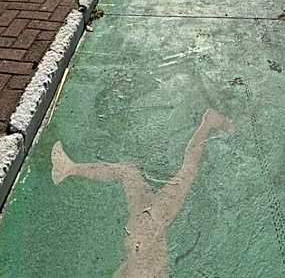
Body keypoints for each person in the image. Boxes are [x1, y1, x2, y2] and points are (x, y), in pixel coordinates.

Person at [52, 108, 235, 278]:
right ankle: (69, 168)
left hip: (149, 228)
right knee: (132, 172)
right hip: (142, 234)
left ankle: (69, 168)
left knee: (181, 173)